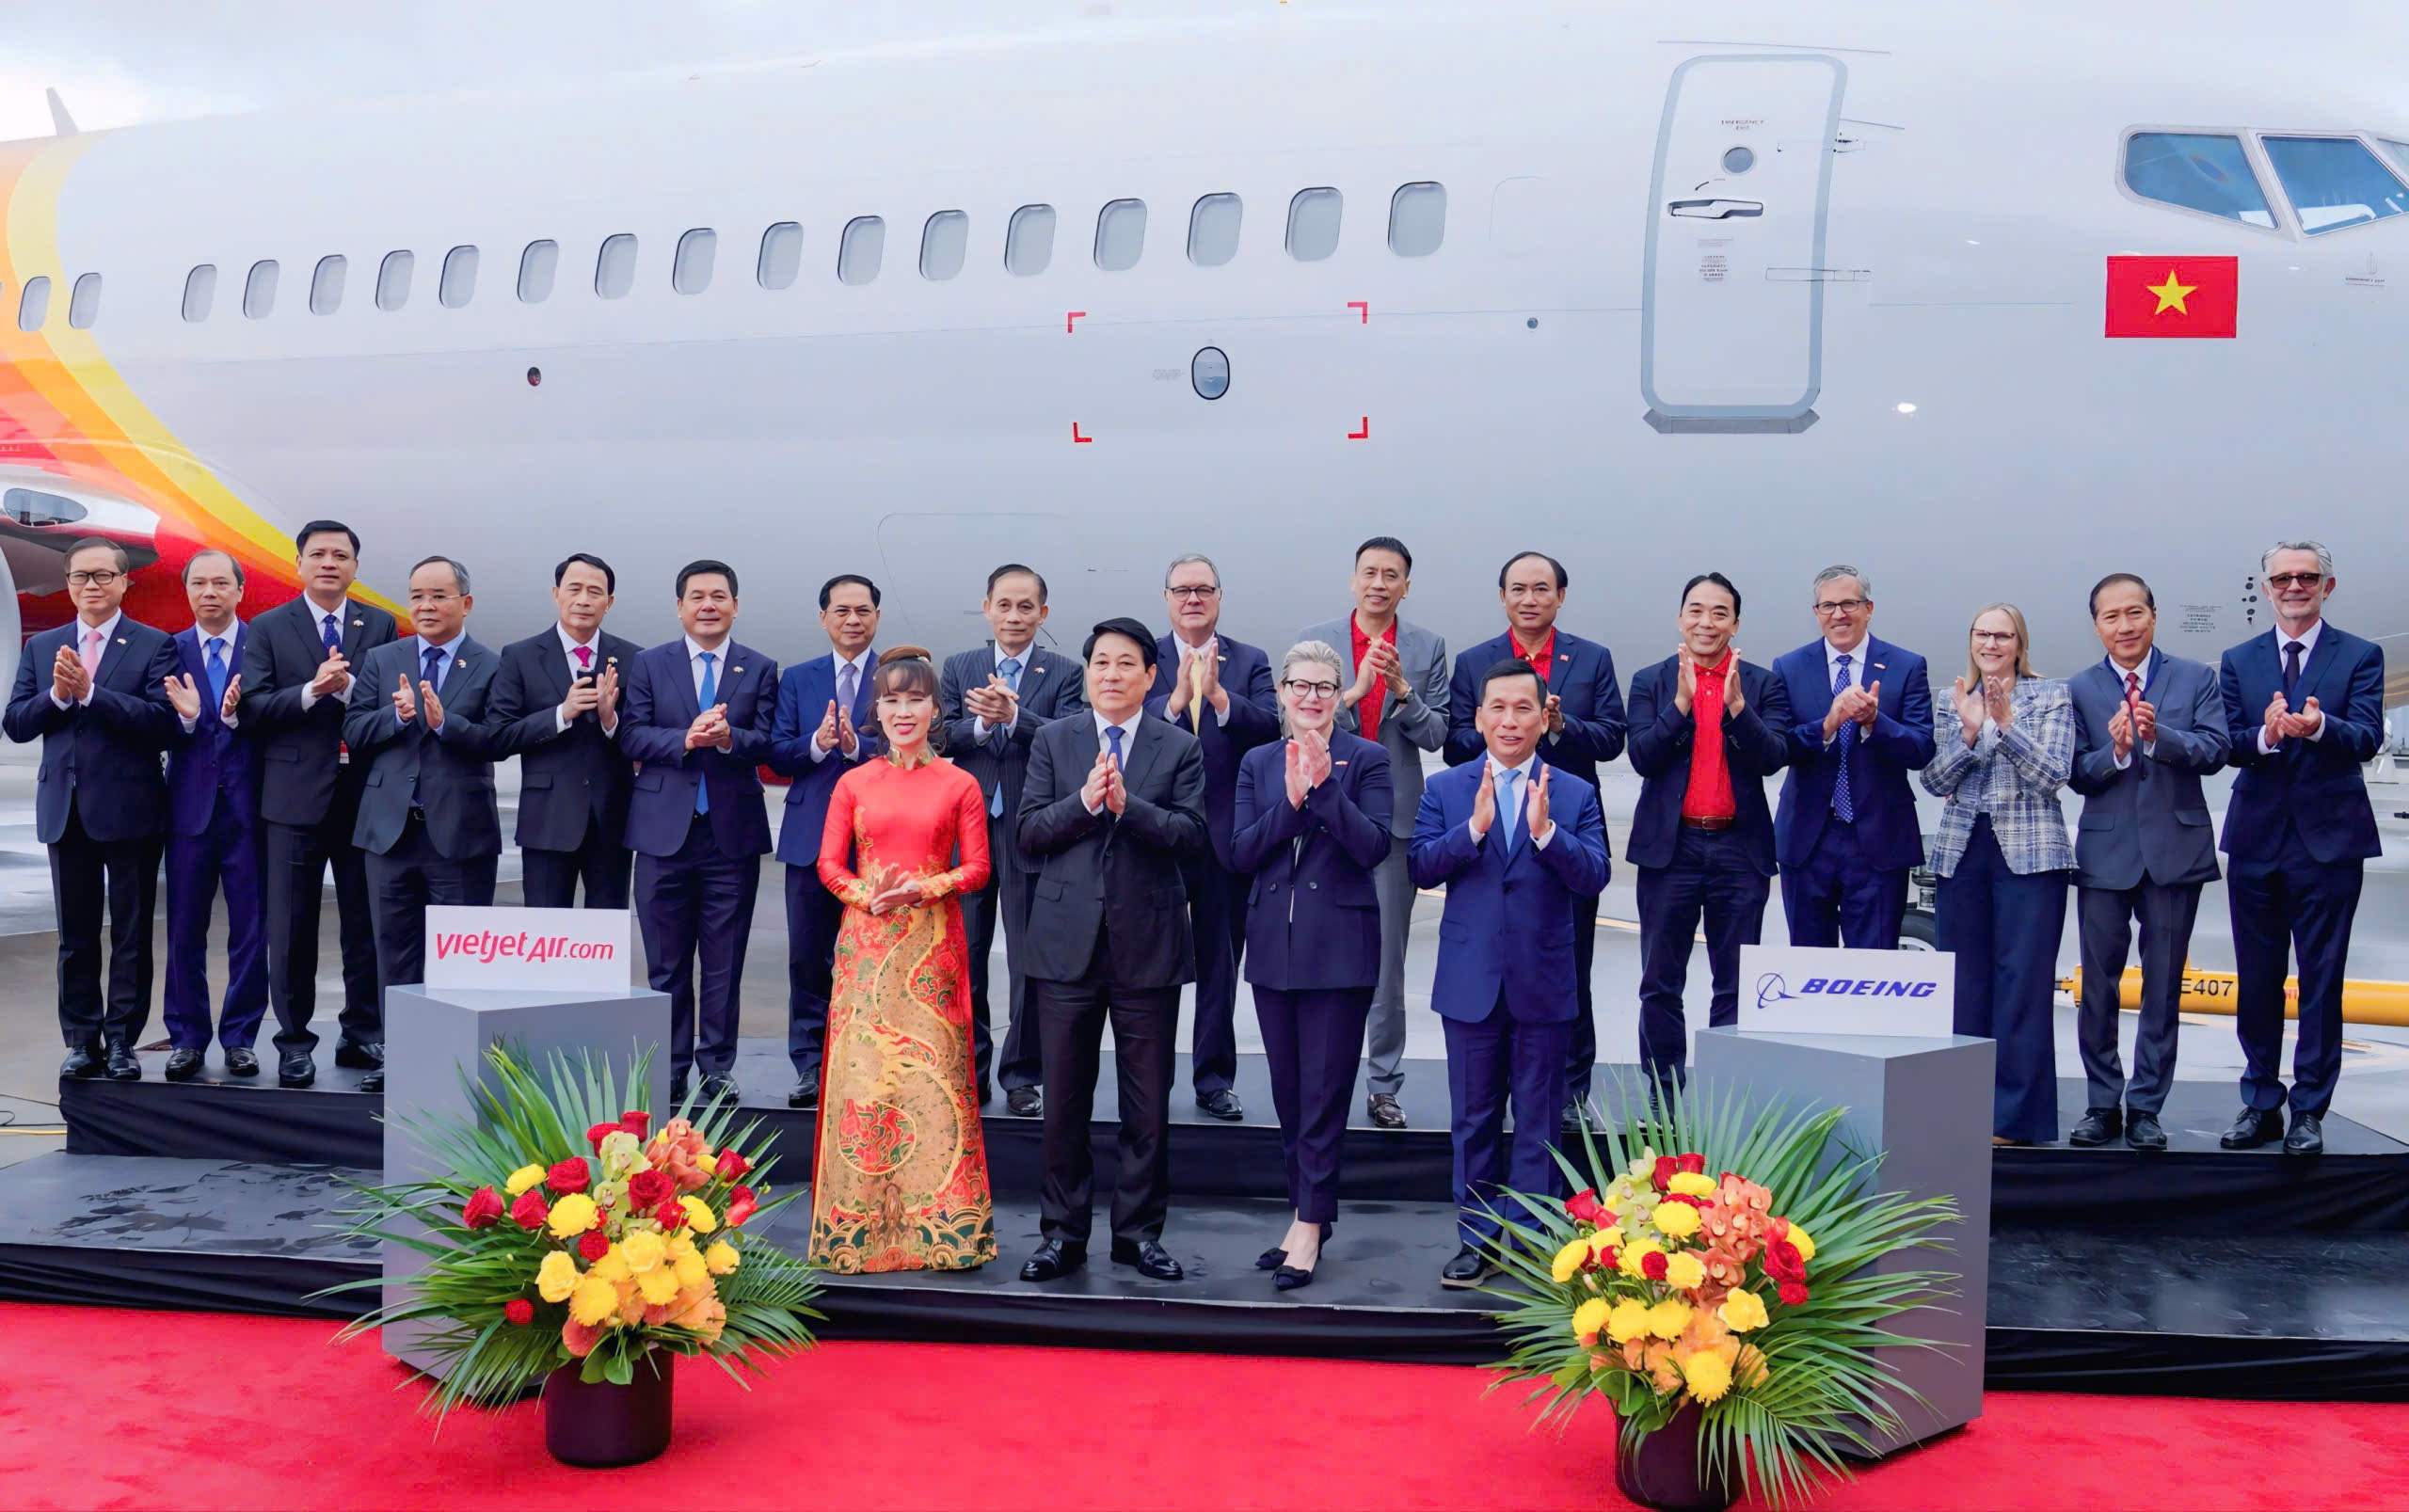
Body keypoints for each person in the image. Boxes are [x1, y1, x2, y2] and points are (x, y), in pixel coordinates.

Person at [1014, 618, 1207, 1285]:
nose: (1112, 674)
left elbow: (1192, 836)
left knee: (1146, 1106)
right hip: (1065, 946)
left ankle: (1138, 1236)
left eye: (1127, 663)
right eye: (1101, 662)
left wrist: (1130, 809)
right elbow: (1028, 831)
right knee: (1064, 1101)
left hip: (1147, 946)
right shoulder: (1053, 738)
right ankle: (1061, 1235)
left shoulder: (1179, 747)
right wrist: (1084, 802)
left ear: (1151, 676)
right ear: (1087, 672)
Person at [1411, 660, 1609, 1287]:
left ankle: (1528, 1238)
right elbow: (1420, 865)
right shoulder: (1447, 787)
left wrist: (1547, 835)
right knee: (1473, 1118)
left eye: (1524, 708)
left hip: (1542, 982)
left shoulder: (1573, 791)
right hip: (1470, 981)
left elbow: (1595, 875)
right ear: (1478, 718)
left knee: (1539, 1119)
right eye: (1497, 707)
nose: (1509, 720)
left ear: (1543, 717)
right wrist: (1472, 830)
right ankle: (1476, 1237)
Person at [808, 648, 996, 1272]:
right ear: (877, 711)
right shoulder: (853, 783)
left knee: (933, 1081)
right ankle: (860, 1232)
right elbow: (828, 864)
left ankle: (941, 1231)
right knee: (864, 1081)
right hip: (865, 948)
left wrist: (923, 888)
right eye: (892, 699)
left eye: (915, 699)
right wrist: (868, 895)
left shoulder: (959, 783)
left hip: (931, 951)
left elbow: (978, 868)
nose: (904, 710)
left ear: (936, 709)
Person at [1444, 550, 1625, 1132]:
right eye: (1518, 589)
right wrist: (1505, 728)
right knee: (1491, 965)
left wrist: (1560, 725)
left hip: (1564, 831)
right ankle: (1495, 1087)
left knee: (1570, 963)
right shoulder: (1475, 662)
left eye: (1541, 589)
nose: (1530, 599)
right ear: (1502, 597)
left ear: (1560, 597)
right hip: (1493, 835)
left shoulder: (1591, 658)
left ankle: (1570, 1089)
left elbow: (1613, 739)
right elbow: (1454, 743)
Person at [1230, 641, 1392, 1290]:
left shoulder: (1367, 758)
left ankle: (1309, 1222)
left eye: (1325, 686)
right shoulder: (1258, 761)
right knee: (1289, 1094)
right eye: (1300, 685)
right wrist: (1292, 801)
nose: (1311, 697)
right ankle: (1307, 1210)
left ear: (1340, 695)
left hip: (1339, 951)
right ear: (1282, 692)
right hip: (1274, 946)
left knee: (1324, 1095)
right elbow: (1242, 851)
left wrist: (1324, 789)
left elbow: (1373, 846)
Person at [2216, 541, 2385, 1156]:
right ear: (2266, 588)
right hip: (2257, 841)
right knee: (2257, 980)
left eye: (2307, 577)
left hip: (2330, 843)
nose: (2295, 586)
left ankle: (2309, 1109)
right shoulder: (2238, 660)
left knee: (2321, 981)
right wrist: (2265, 735)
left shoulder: (2360, 655)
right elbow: (2227, 742)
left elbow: (2366, 736)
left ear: (2327, 587)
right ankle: (2261, 1102)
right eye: (2283, 577)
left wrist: (2319, 727)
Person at [3, 537, 179, 1081]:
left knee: (131, 934)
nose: (92, 585)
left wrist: (91, 694)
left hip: (130, 809)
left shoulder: (154, 644)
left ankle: (123, 1039)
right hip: (66, 809)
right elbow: (16, 723)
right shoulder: (44, 647)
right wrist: (57, 696)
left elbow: (163, 723)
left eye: (104, 575)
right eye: (81, 576)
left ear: (125, 582)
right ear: (68, 583)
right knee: (75, 937)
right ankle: (81, 1039)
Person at [2066, 573, 2228, 1152]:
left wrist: (2160, 738)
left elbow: (2216, 749)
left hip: (2174, 854)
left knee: (2162, 988)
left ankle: (2146, 1108)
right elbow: (2074, 771)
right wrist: (2114, 751)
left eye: (2134, 613)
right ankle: (2101, 1103)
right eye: (2111, 617)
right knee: (2098, 987)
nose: (2125, 626)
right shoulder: (2080, 687)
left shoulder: (2195, 676)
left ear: (2154, 616)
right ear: (2097, 627)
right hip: (2105, 855)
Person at [237, 519, 397, 1088]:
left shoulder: (379, 624)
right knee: (292, 928)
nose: (330, 563)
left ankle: (362, 1032)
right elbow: (252, 708)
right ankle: (294, 1042)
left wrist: (349, 689)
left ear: (355, 567)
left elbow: (387, 704)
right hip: (293, 799)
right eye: (319, 554)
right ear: (299, 564)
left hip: (363, 798)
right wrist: (312, 691)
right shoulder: (267, 627)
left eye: (341, 555)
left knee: (365, 924)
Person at [1299, 537, 1449, 1131]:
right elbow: (1296, 721)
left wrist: (1404, 693)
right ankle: (1317, 1076)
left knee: (1387, 964)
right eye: (1369, 573)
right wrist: (1355, 693)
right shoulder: (1316, 643)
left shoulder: (1426, 647)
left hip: (1393, 821)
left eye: (1392, 575)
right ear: (1354, 580)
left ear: (1406, 586)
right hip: (1322, 813)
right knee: (1316, 954)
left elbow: (1437, 735)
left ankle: (1383, 1085)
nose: (1379, 584)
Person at [619, 560, 780, 1104]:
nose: (708, 605)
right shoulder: (650, 663)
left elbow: (768, 740)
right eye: (697, 596)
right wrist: (686, 740)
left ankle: (717, 1067)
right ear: (680, 607)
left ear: (735, 605)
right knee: (665, 964)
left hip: (730, 837)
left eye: (718, 596)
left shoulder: (759, 667)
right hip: (663, 836)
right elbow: (632, 735)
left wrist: (730, 737)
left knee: (723, 962)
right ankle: (670, 1066)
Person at [1624, 574, 1790, 1090]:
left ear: (1735, 625)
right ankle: (1663, 1092)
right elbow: (1642, 757)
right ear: (1680, 619)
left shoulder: (1762, 684)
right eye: (1696, 611)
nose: (1707, 622)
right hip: (1670, 850)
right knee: (1660, 981)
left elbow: (1773, 757)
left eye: (1720, 613)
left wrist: (1738, 709)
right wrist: (1680, 707)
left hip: (1740, 849)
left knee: (1736, 983)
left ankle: (1727, 1092)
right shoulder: (1651, 681)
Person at [1920, 603, 2074, 1147]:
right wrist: (1967, 734)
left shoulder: (2050, 695)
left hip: (2031, 853)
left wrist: (2005, 726)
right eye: (1982, 634)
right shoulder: (1952, 698)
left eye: (2003, 636)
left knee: (2022, 983)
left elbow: (2053, 775)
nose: (1991, 644)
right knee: (1964, 983)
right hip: (1964, 850)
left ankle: (2014, 1119)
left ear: (2019, 644)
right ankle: (1963, 1108)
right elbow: (1934, 781)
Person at [343, 557, 503, 1068]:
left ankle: (455, 1062)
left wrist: (444, 723)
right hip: (389, 832)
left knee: (461, 957)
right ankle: (403, 1060)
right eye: (417, 596)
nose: (426, 606)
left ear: (466, 603)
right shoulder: (382, 658)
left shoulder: (490, 664)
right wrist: (396, 716)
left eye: (439, 596)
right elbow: (353, 730)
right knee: (394, 952)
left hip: (459, 834)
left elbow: (498, 740)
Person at [939, 564, 1085, 1115]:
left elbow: (1069, 738)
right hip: (969, 832)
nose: (1015, 616)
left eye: (1026, 607)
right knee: (965, 960)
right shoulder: (960, 666)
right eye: (1004, 605)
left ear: (1043, 614)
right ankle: (968, 1072)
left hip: (1030, 832)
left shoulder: (1064, 672)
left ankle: (1022, 1076)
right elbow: (941, 735)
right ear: (987, 609)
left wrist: (1015, 715)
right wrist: (982, 725)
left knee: (1028, 965)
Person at [1145, 553, 1279, 1122]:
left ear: (1220, 597)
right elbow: (1123, 721)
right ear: (1167, 599)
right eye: (1182, 590)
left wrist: (1221, 698)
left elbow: (1272, 727)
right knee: (1152, 968)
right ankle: (1149, 1078)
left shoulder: (1250, 660)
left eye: (1204, 589)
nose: (1193, 599)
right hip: (1156, 838)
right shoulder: (1144, 656)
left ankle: (1214, 1079)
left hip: (1225, 839)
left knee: (1221, 969)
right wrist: (1175, 702)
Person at [1772, 565, 1934, 950]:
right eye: (1828, 606)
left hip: (1879, 840)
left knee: (1874, 965)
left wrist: (1875, 722)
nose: (1839, 614)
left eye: (1849, 604)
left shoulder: (1906, 665)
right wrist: (1828, 724)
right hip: (1809, 840)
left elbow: (1921, 749)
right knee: (1809, 965)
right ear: (1816, 613)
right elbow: (1778, 747)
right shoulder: (1789, 667)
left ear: (1868, 608)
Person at [769, 573, 883, 1110]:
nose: (852, 620)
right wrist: (816, 744)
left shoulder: (895, 674)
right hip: (811, 838)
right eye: (841, 611)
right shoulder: (798, 678)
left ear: (876, 618)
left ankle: (869, 1062)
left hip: (878, 841)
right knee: (808, 958)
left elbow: (914, 744)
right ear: (824, 619)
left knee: (874, 960)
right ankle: (810, 1065)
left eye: (862, 611)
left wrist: (858, 746)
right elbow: (777, 749)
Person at [159, 550, 267, 1080]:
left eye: (221, 583)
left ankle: (241, 1037)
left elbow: (278, 717)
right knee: (184, 929)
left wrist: (240, 717)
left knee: (251, 929)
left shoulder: (262, 648)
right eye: (199, 583)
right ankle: (186, 1037)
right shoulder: (169, 649)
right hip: (188, 810)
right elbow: (151, 723)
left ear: (240, 591)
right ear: (187, 592)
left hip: (252, 810)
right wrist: (186, 721)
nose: (209, 592)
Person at [481, 552, 640, 908]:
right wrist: (560, 714)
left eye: (595, 592)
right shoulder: (520, 656)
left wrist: (610, 720)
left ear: (609, 602)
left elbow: (642, 738)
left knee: (606, 930)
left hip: (611, 820)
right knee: (546, 928)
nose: (583, 600)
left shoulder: (633, 658)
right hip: (547, 821)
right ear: (556, 594)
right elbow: (497, 736)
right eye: (574, 589)